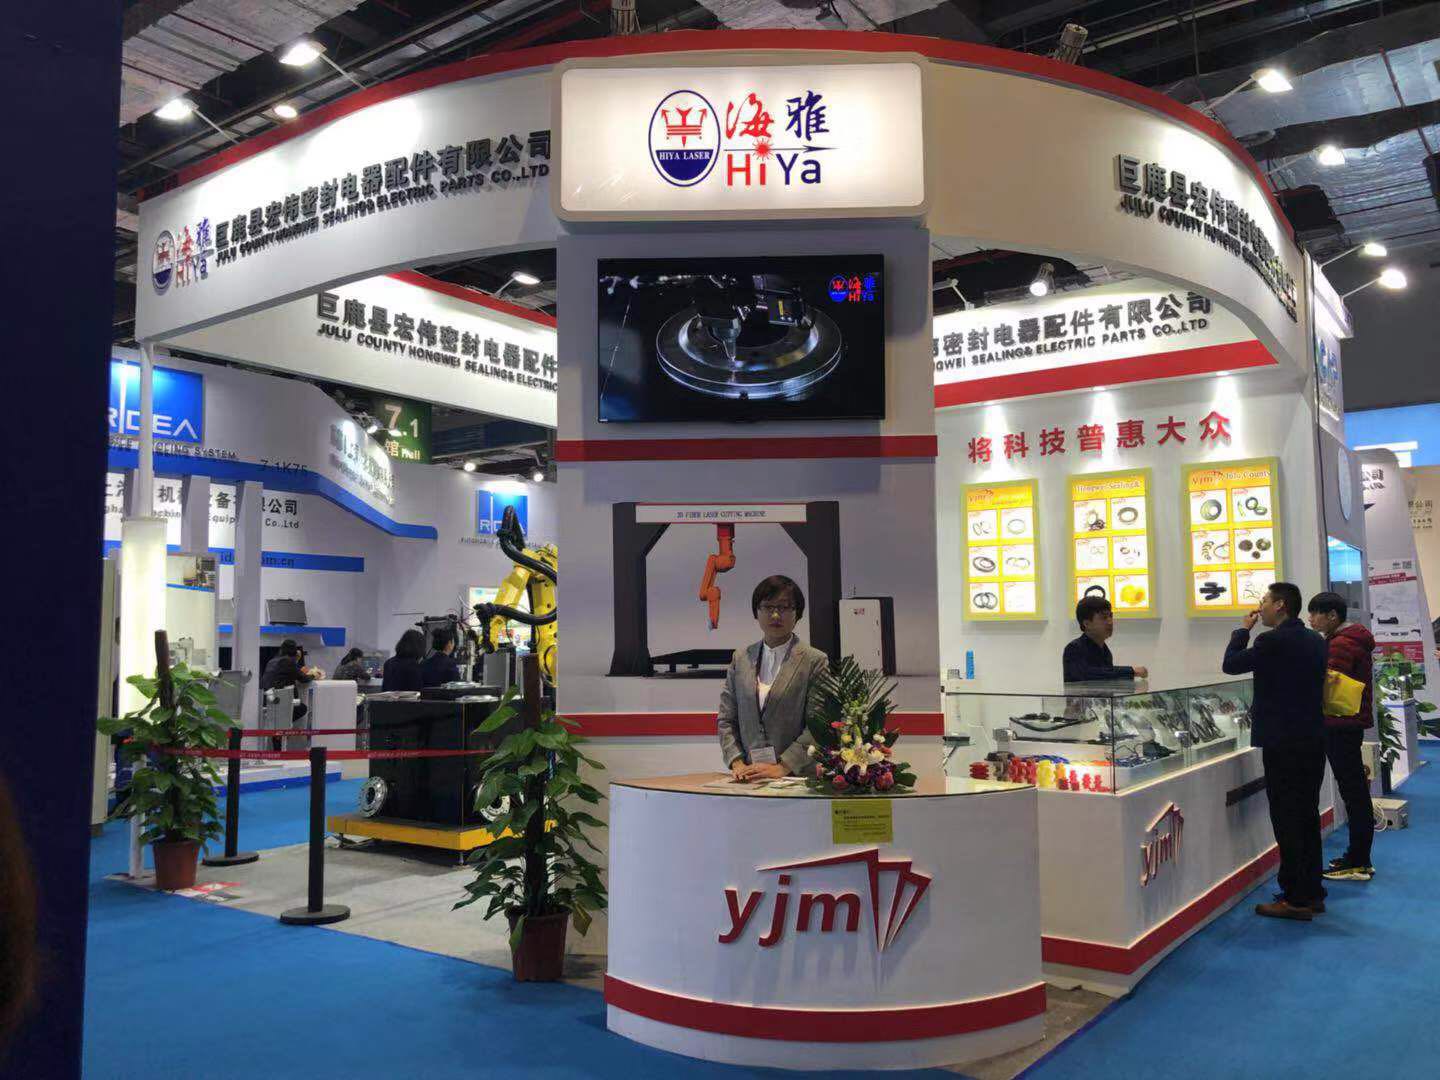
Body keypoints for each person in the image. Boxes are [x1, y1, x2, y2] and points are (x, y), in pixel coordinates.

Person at [1222, 582, 1329, 920]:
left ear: (1281, 605)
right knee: (1307, 816)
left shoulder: (1271, 641)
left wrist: (1242, 630)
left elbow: (1231, 664)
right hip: (1312, 738)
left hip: (1282, 742)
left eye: (1265, 600)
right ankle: (1312, 892)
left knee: (1286, 818)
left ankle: (1294, 898)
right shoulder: (1315, 640)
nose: (1261, 606)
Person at [717, 575, 830, 782]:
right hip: (748, 777)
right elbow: (726, 719)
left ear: (797, 613)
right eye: (768, 607)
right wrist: (737, 762)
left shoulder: (814, 660)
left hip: (796, 778)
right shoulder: (740, 659)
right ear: (756, 612)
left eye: (784, 607)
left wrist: (783, 767)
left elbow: (818, 726)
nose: (776, 615)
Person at [1307, 591, 1377, 882]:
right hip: (1348, 724)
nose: (1311, 619)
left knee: (1353, 793)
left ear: (1332, 616)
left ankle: (1358, 861)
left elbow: (1327, 683)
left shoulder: (1341, 644)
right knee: (1354, 791)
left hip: (1340, 724)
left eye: (1315, 613)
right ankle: (1359, 857)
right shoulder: (1349, 639)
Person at [1062, 596, 1149, 682]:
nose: (1110, 622)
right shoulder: (1074, 648)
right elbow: (1088, 674)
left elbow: (1107, 676)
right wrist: (1131, 671)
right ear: (1087, 624)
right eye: (1103, 617)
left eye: (1110, 616)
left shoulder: (1105, 651)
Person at [260, 639, 316, 724]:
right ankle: (281, 724)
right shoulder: (287, 661)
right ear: (294, 652)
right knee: (302, 708)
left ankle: (280, 724)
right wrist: (314, 675)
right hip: (277, 703)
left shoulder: (272, 661)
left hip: (265, 702)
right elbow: (303, 679)